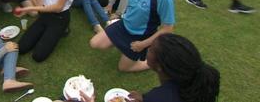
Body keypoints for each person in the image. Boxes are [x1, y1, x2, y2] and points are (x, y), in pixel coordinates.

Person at [80, 34, 220, 102]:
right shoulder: (189, 83)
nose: (147, 48)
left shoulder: (160, 97)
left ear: (159, 66)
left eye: (151, 49)